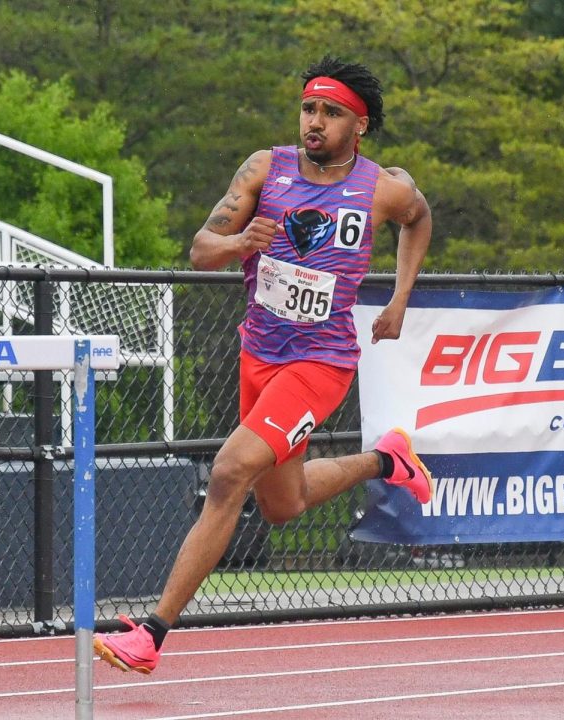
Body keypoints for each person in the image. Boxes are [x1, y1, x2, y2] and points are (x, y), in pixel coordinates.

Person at [94, 55, 434, 674]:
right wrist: (239, 242)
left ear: (358, 127)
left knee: (229, 472)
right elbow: (201, 250)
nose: (315, 121)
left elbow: (419, 218)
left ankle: (151, 633)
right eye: (309, 108)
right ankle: (390, 460)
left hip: (320, 362)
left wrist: (401, 298)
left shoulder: (383, 188)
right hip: (259, 353)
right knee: (284, 504)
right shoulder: (264, 168)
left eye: (331, 113)